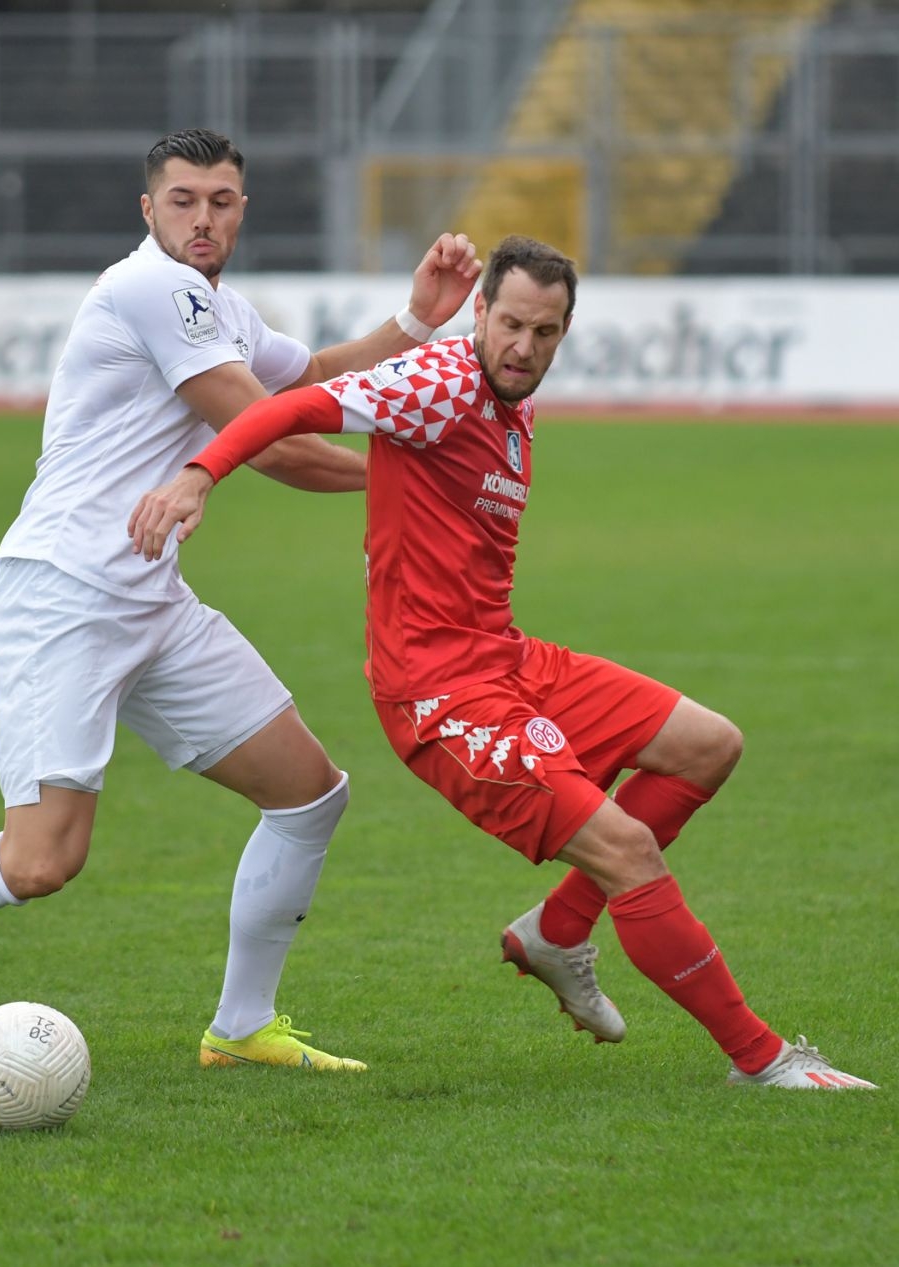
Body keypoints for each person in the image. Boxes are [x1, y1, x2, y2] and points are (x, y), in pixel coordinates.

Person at [0, 129, 481, 1071]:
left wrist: (416, 324)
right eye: (183, 200)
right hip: (62, 595)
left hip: (151, 597)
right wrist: (413, 484)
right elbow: (265, 438)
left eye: (222, 200)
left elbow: (307, 380)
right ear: (149, 211)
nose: (203, 217)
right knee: (39, 864)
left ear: (242, 209)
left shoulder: (219, 308)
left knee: (308, 796)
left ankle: (240, 1031)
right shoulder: (150, 286)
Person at [127, 234, 876, 1090]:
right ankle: (765, 1061)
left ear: (564, 331)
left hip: (507, 659)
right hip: (440, 698)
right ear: (480, 311)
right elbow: (289, 408)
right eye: (510, 323)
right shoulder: (439, 380)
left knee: (709, 745)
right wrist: (198, 474)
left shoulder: (512, 397)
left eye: (546, 333)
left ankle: (556, 933)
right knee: (627, 849)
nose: (524, 348)